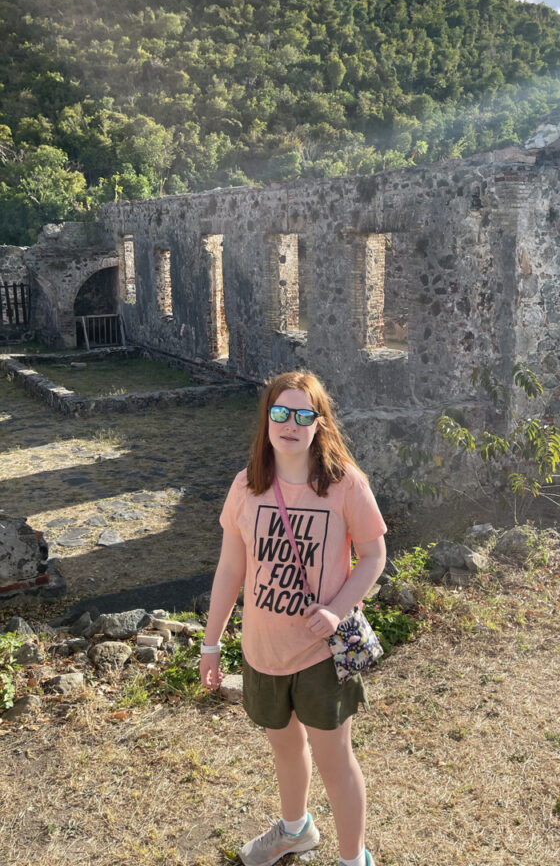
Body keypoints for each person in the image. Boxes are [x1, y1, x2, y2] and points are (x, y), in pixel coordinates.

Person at [200, 370, 387, 866]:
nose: (290, 423)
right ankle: (295, 830)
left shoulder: (345, 486)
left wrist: (336, 609)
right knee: (284, 747)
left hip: (322, 652)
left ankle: (353, 860)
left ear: (319, 424)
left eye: (303, 414)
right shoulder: (246, 487)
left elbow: (373, 556)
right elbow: (230, 570)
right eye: (280, 412)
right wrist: (211, 643)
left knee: (335, 762)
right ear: (266, 420)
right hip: (263, 649)